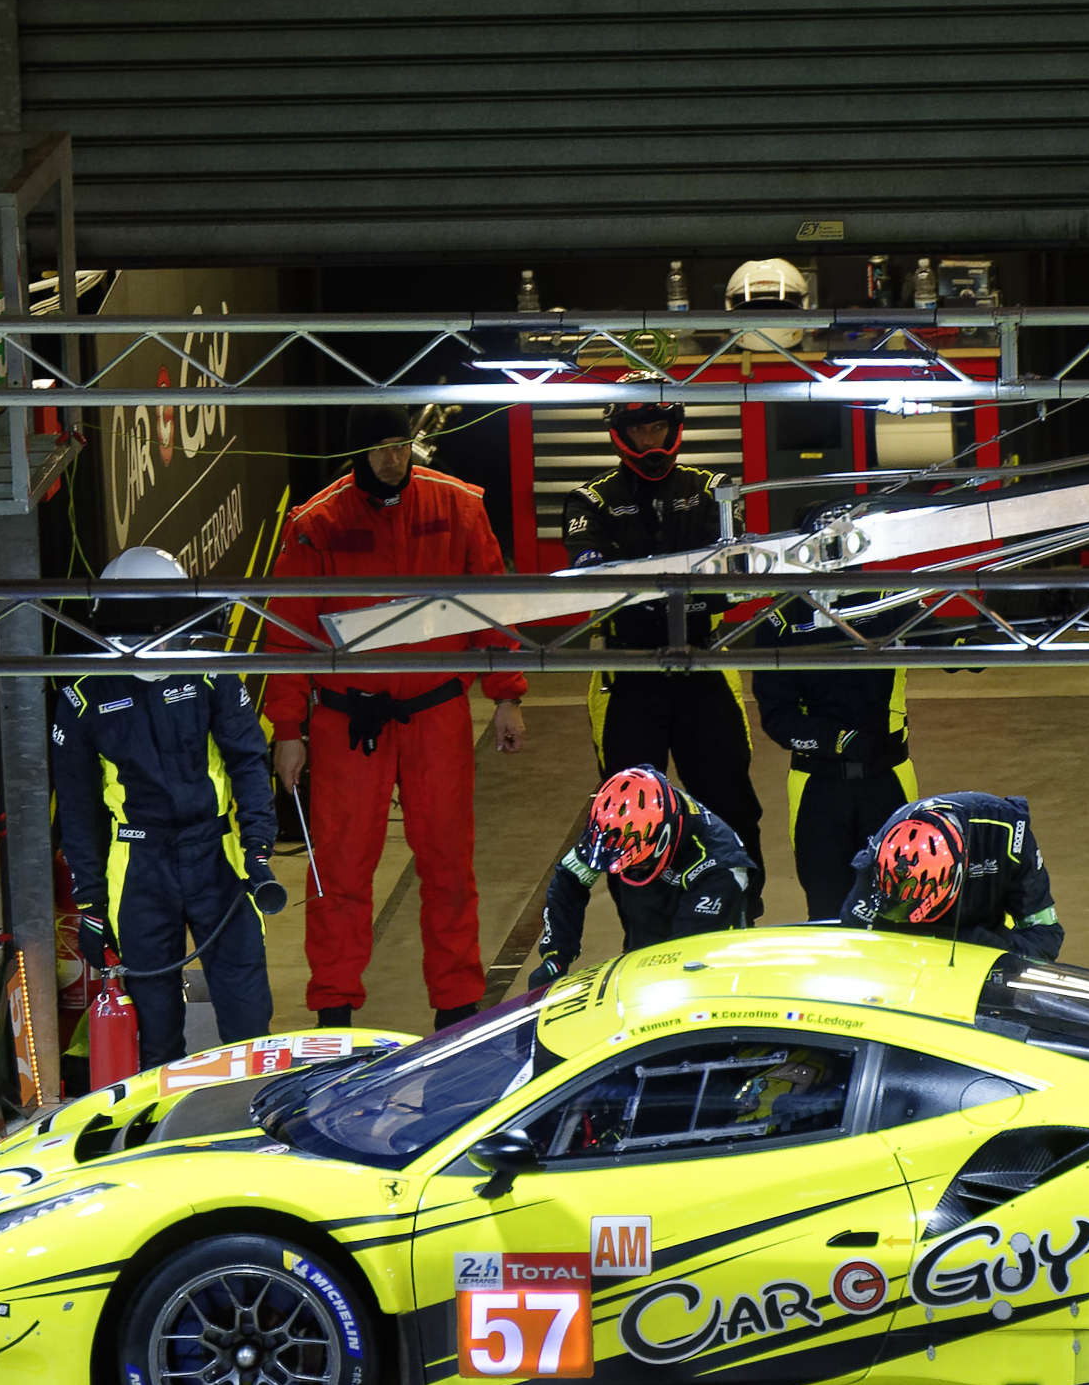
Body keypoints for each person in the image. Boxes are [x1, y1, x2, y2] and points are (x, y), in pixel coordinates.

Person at [264, 406, 528, 1031]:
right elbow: (287, 634)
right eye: (380, 448)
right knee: (338, 869)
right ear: (359, 451)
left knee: (448, 865)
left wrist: (507, 695)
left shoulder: (459, 506)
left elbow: (490, 600)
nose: (392, 459)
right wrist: (288, 731)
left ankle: (456, 1007)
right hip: (345, 723)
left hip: (435, 716)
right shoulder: (316, 524)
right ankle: (334, 1011)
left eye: (400, 445)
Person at [51, 545, 282, 1070]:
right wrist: (89, 902)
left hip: (220, 855)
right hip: (137, 865)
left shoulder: (210, 671)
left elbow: (249, 760)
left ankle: (253, 1128)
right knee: (153, 1032)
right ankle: (160, 1140)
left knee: (248, 1018)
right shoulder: (82, 694)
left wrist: (258, 848)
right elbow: (79, 810)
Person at [563, 372, 766, 920]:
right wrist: (683, 584)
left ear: (674, 428)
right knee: (629, 812)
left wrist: (651, 588)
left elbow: (728, 577)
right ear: (620, 434)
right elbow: (598, 583)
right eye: (640, 429)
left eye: (658, 427)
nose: (651, 440)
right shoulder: (589, 499)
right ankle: (642, 928)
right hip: (624, 673)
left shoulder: (714, 488)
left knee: (731, 801)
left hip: (705, 666)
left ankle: (740, 914)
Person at [753, 599, 915, 920]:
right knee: (827, 908)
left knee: (899, 904)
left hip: (888, 777)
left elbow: (941, 637)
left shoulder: (890, 599)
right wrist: (837, 741)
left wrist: (971, 645)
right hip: (817, 785)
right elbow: (777, 719)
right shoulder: (779, 619)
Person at [529, 766, 754, 989]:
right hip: (649, 929)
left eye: (636, 863)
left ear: (661, 839)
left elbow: (684, 963)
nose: (627, 870)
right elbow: (569, 878)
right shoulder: (622, 818)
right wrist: (556, 956)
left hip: (709, 963)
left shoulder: (719, 867)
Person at [840, 793, 1063, 959]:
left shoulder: (1010, 835)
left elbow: (1045, 936)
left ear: (956, 877)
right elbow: (854, 936)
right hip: (908, 954)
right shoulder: (880, 853)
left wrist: (988, 948)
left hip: (984, 946)